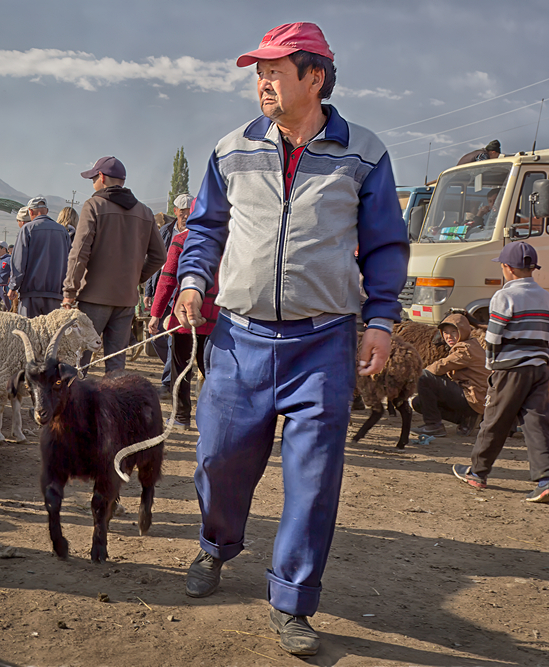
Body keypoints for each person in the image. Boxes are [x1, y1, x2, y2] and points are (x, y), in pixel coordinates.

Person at [173, 23, 408, 656]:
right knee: (219, 460)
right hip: (238, 339)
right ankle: (215, 546)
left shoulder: (364, 154)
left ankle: (293, 601)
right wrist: (193, 282)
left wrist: (381, 321)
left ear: (316, 77)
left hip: (323, 342)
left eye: (276, 71)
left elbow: (386, 244)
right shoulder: (231, 150)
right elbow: (205, 228)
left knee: (313, 478)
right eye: (259, 72)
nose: (263, 82)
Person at [452, 242, 549, 503]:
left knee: (494, 422)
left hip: (510, 370)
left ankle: (477, 472)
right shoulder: (545, 296)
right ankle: (545, 481)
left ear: (507, 268)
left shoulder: (503, 296)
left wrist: (491, 364)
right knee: (537, 425)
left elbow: (494, 335)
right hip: (539, 368)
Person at [62, 156, 166, 373]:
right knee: (116, 365)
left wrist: (69, 291)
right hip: (126, 300)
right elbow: (159, 256)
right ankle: (112, 406)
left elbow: (79, 252)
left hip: (93, 298)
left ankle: (75, 406)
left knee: (79, 360)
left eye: (93, 179)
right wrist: (136, 277)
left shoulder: (94, 205)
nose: (92, 184)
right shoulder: (145, 212)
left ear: (101, 177)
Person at [148, 208, 217, 430]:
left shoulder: (181, 240)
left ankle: (181, 417)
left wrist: (156, 314)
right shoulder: (226, 241)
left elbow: (167, 279)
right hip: (217, 318)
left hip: (185, 316)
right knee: (213, 372)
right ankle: (217, 421)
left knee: (181, 367)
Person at [411, 313, 490, 437]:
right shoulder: (472, 344)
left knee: (424, 376)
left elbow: (440, 367)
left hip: (473, 396)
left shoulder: (465, 349)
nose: (449, 336)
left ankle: (433, 425)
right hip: (476, 399)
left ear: (463, 331)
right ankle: (467, 419)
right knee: (418, 403)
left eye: (454, 331)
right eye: (445, 332)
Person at [146, 195, 193, 395]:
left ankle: (168, 382)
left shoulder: (196, 235)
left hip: (181, 292)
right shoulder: (165, 232)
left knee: (175, 337)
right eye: (181, 212)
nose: (184, 216)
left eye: (187, 212)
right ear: (175, 211)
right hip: (162, 290)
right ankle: (173, 369)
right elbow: (153, 261)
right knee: (156, 336)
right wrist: (149, 290)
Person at [9, 196, 71, 317]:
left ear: (30, 212)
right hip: (56, 294)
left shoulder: (28, 229)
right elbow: (69, 261)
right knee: (52, 333)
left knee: (29, 332)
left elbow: (19, 262)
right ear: (46, 211)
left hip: (31, 294)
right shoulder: (62, 231)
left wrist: (13, 286)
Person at [0, 241, 12, 311]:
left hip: (4, 287)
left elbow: (14, 271)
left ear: (4, 249)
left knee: (9, 307)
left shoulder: (9, 259)